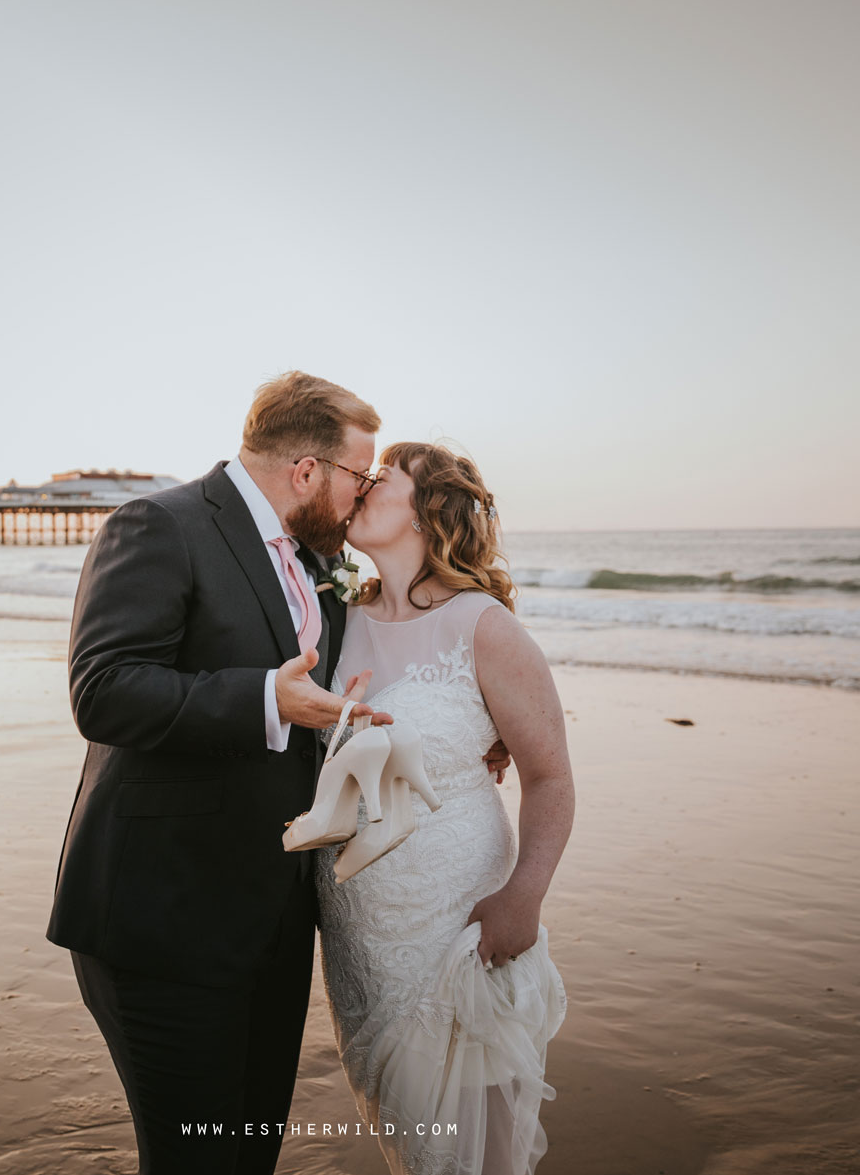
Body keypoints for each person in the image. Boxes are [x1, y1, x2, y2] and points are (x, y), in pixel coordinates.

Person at [45, 372, 511, 1174]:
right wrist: (266, 695)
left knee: (249, 1152)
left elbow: (391, 673)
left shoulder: (322, 568)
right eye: (357, 478)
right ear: (305, 472)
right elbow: (104, 688)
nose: (361, 495)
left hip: (274, 923)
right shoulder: (159, 525)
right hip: (165, 918)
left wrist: (480, 728)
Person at [314, 440, 574, 1175]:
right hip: (360, 939)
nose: (362, 486)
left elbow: (550, 775)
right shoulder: (335, 618)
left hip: (459, 926)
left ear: (430, 509)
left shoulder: (482, 626)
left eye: (381, 477)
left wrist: (524, 893)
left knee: (474, 1152)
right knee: (413, 1143)